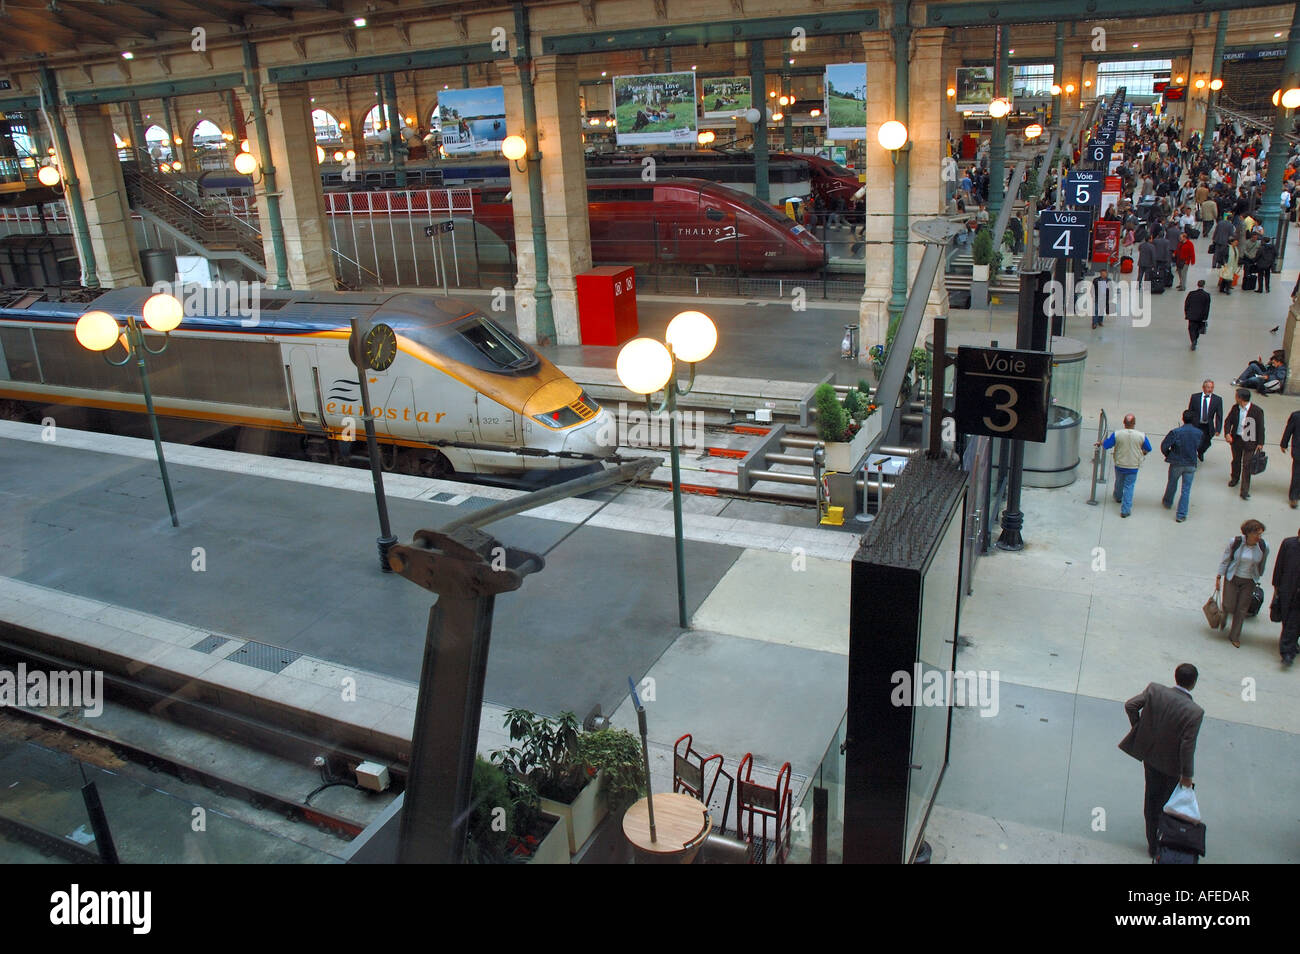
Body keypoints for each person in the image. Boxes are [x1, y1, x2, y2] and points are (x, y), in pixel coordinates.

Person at [1117, 664, 1204, 859]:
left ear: (1176, 677)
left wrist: (1139, 729)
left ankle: (1152, 843)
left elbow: (1130, 705)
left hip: (1151, 756)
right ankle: (1165, 840)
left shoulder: (1155, 690)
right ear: (1194, 683)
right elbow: (1187, 746)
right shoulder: (1195, 712)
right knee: (1168, 802)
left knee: (1151, 798)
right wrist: (1187, 775)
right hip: (1173, 765)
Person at [1216, 519, 1269, 648]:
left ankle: (1235, 636)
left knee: (1242, 609)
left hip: (1249, 580)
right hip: (1232, 577)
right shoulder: (1236, 542)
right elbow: (1226, 560)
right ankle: (1224, 615)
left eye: (1261, 534)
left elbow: (1263, 563)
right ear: (1248, 533)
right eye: (1256, 534)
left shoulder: (1263, 546)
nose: (1259, 537)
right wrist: (1219, 577)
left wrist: (1259, 575)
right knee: (1229, 604)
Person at [1098, 414, 1152, 518]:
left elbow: (1107, 445)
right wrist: (1143, 453)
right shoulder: (1141, 435)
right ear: (1134, 423)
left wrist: (1100, 443)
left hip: (1120, 463)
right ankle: (1125, 510)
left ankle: (1118, 496)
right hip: (1133, 466)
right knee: (1129, 487)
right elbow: (1148, 448)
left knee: (1119, 481)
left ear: (1124, 423)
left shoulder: (1117, 434)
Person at [1161, 410, 1202, 522]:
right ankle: (1181, 514)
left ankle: (1168, 502)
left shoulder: (1175, 432)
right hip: (1191, 463)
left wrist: (1169, 455)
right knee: (1186, 490)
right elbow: (1200, 446)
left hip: (1177, 463)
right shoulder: (1198, 433)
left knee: (1172, 483)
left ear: (1183, 418)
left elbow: (1164, 446)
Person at [1225, 387, 1265, 498]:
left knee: (1247, 465)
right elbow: (1228, 421)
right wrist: (1227, 433)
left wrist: (1260, 443)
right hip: (1237, 439)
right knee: (1236, 461)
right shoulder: (1235, 408)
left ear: (1240, 398)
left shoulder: (1257, 411)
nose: (1235, 398)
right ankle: (1235, 478)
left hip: (1250, 442)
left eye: (1236, 396)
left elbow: (1261, 427)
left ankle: (1244, 490)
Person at [1272, 529, 1300, 665]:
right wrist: (1276, 586)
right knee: (1288, 620)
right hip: (1287, 589)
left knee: (1294, 621)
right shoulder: (1288, 544)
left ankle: (1288, 650)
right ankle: (1289, 646)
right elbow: (1279, 565)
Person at [1187, 379, 1223, 462]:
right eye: (1208, 387)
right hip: (1196, 424)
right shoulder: (1195, 397)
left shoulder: (1217, 399)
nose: (1210, 389)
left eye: (1211, 387)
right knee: (1195, 441)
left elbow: (1219, 415)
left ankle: (1200, 451)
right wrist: (1188, 423)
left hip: (1208, 426)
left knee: (1206, 443)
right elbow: (1190, 411)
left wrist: (1218, 428)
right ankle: (1193, 457)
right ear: (1203, 388)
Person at [1183, 280, 1211, 350]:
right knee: (1198, 329)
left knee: (1191, 329)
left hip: (1191, 315)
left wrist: (1187, 313)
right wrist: (1205, 317)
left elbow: (1186, 304)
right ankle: (1195, 339)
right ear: (1204, 285)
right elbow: (1207, 307)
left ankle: (1193, 340)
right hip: (1200, 316)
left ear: (1197, 285)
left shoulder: (1191, 294)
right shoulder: (1206, 295)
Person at [1282, 408, 1300, 509]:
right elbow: (1289, 430)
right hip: (1298, 451)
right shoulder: (1296, 416)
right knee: (1297, 475)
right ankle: (1294, 497)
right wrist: (1284, 443)